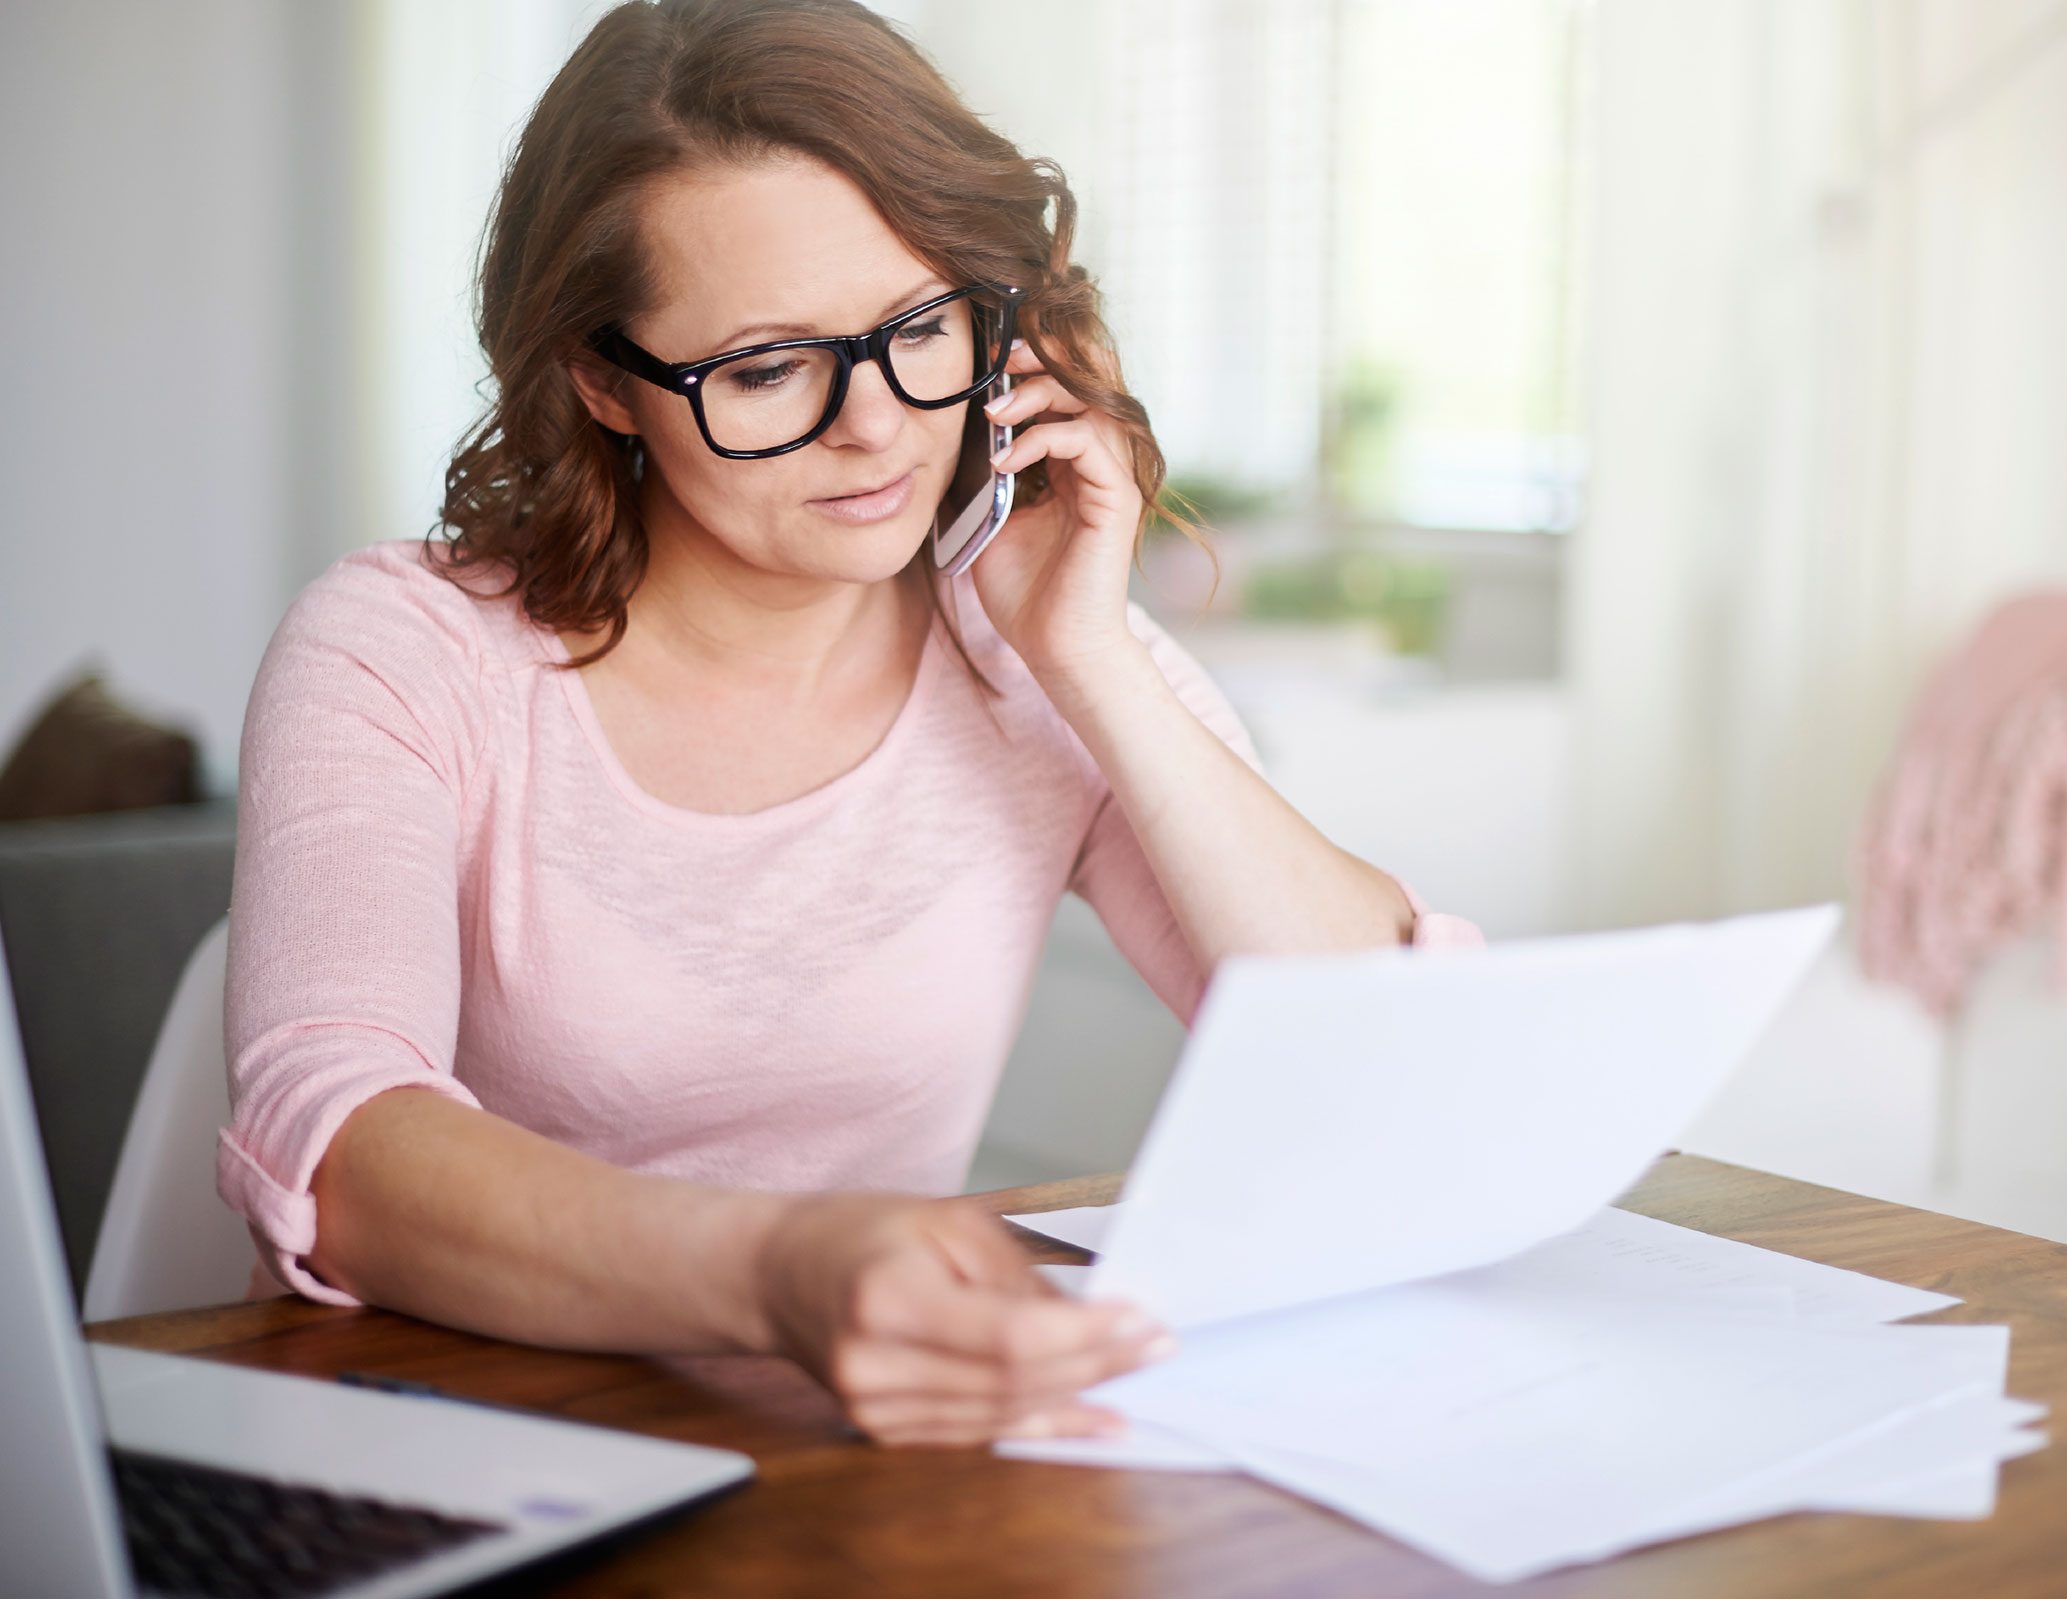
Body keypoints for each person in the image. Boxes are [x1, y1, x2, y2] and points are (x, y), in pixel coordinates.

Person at [215, 0, 1482, 1449]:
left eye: (916, 328)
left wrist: (1089, 656)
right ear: (602, 380)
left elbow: (1384, 1049)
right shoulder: (404, 652)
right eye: (766, 369)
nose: (876, 426)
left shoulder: (1029, 655)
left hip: (857, 1456)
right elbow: (338, 1142)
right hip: (447, 1442)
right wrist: (772, 1269)